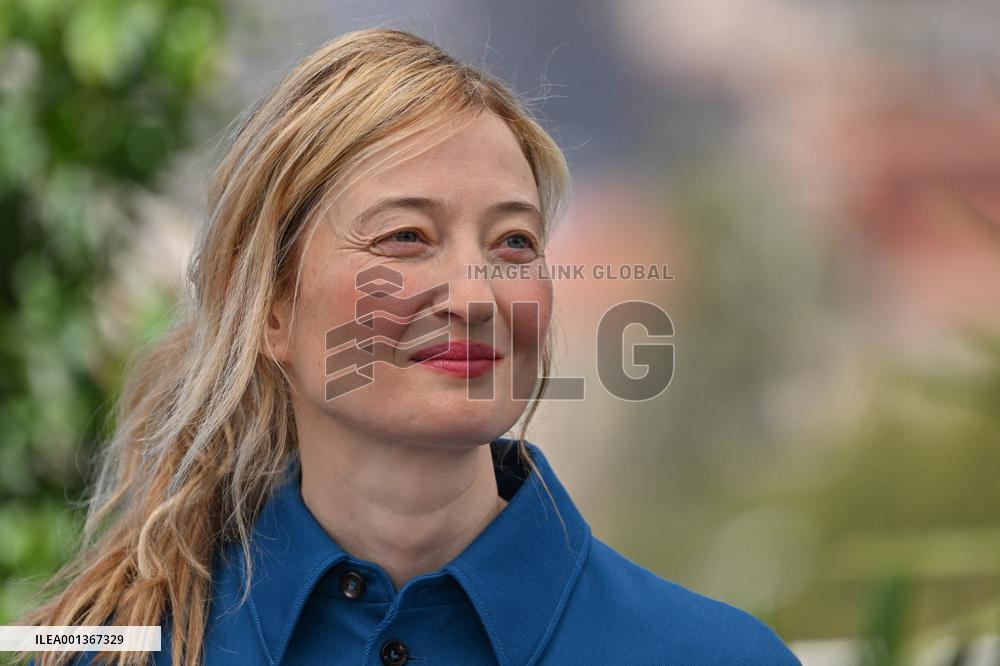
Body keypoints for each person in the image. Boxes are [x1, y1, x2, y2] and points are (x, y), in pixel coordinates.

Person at [21, 28, 801, 666]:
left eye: (514, 242)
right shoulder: (99, 651)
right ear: (270, 309)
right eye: (405, 237)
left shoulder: (717, 656)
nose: (473, 295)